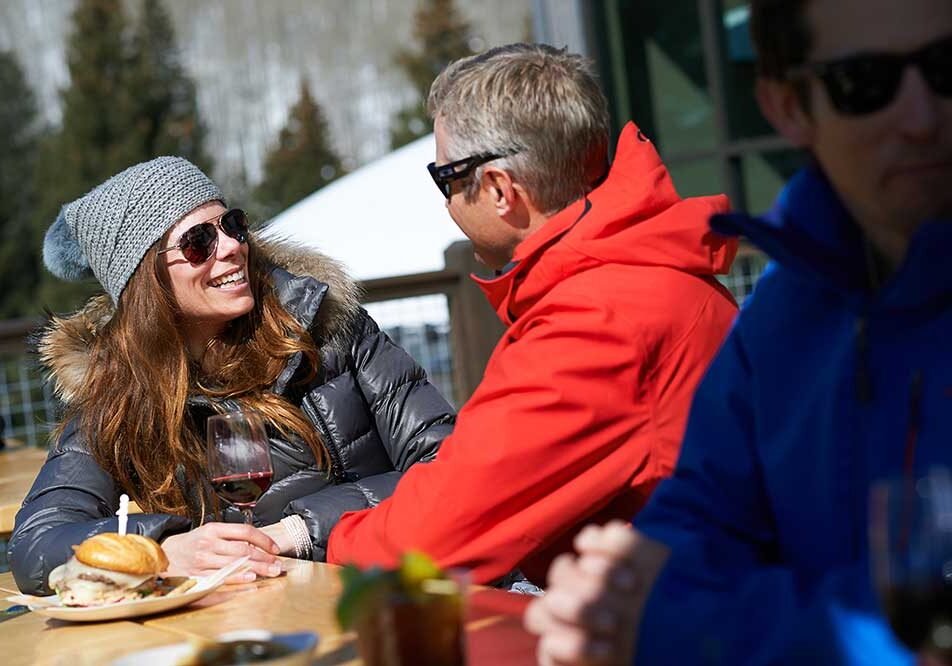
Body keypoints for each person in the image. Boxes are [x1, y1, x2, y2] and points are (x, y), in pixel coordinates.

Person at [525, 0, 952, 663]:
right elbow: (697, 520)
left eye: (946, 67)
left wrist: (679, 623)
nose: (922, 119)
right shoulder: (783, 314)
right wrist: (618, 593)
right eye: (864, 82)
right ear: (788, 107)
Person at [325, 43, 739, 587]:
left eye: (443, 177)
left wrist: (314, 544)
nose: (446, 202)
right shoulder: (638, 270)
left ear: (500, 189)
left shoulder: (596, 320)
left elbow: (436, 534)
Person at [8, 156, 455, 595]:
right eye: (198, 242)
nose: (231, 247)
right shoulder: (118, 390)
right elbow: (34, 546)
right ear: (146, 279)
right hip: (254, 620)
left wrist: (299, 531)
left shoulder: (329, 327)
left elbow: (452, 467)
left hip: (399, 591)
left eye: (232, 225)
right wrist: (160, 548)